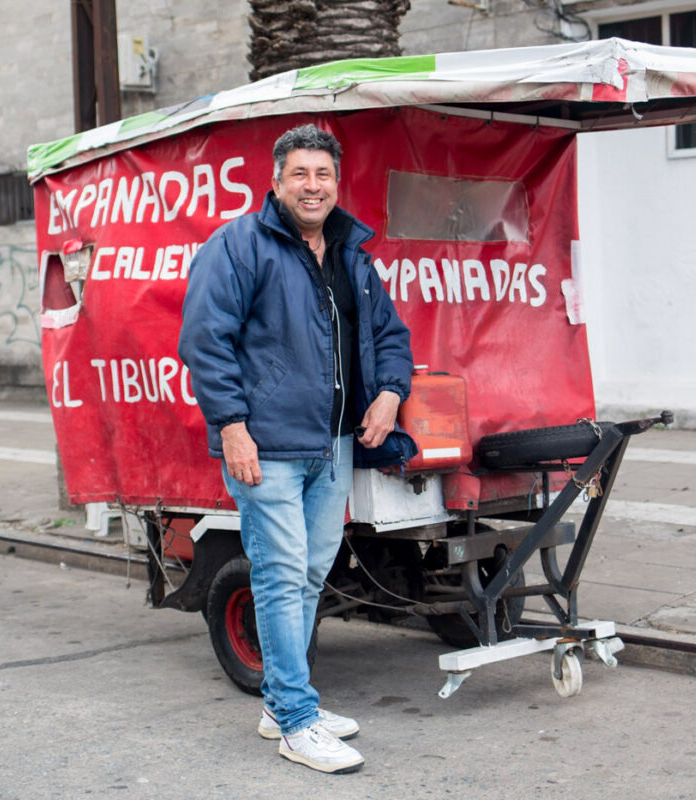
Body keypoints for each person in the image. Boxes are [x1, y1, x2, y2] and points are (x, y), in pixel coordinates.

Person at [178, 124, 415, 774]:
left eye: (323, 175)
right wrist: (231, 426)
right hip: (267, 448)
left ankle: (280, 704)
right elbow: (203, 340)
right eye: (300, 174)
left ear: (336, 184)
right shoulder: (238, 246)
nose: (313, 186)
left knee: (310, 574)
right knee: (281, 577)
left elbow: (392, 335)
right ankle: (298, 721)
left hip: (332, 446)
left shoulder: (350, 255)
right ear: (278, 181)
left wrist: (391, 394)